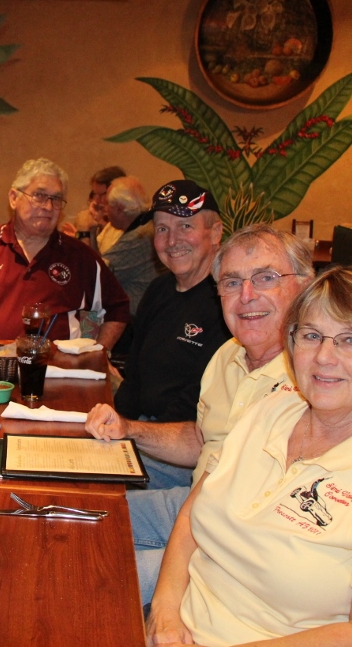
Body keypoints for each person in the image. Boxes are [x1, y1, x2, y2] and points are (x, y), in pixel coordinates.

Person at [88, 224, 352, 606]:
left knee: (93, 577)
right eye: (232, 282)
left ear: (306, 285)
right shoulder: (227, 355)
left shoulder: (324, 374)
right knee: (76, 518)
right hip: (198, 502)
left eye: (266, 277)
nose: (247, 296)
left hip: (248, 540)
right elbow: (203, 440)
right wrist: (129, 429)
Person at [147, 265, 352, 645]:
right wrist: (165, 611)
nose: (323, 357)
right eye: (312, 335)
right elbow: (192, 513)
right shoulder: (271, 411)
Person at [0, 158, 130, 348]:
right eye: (39, 196)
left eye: (57, 199)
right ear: (14, 198)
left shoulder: (79, 256)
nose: (49, 206)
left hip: (57, 373)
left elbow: (117, 309)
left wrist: (98, 355)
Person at [112, 179, 230, 489]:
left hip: (182, 454)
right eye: (162, 229)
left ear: (215, 233)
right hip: (139, 433)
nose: (172, 240)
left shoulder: (229, 304)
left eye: (185, 226)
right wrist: (114, 428)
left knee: (94, 500)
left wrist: (132, 434)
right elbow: (134, 377)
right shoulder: (158, 290)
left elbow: (198, 404)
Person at [100, 176, 164, 316]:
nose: (105, 211)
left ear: (119, 208)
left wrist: (84, 233)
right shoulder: (146, 226)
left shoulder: (138, 237)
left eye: (107, 205)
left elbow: (96, 274)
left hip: (138, 321)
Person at [89, 165, 127, 254]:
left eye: (102, 195)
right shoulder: (108, 225)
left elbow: (101, 264)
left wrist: (85, 232)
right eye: (95, 194)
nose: (97, 201)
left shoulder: (125, 225)